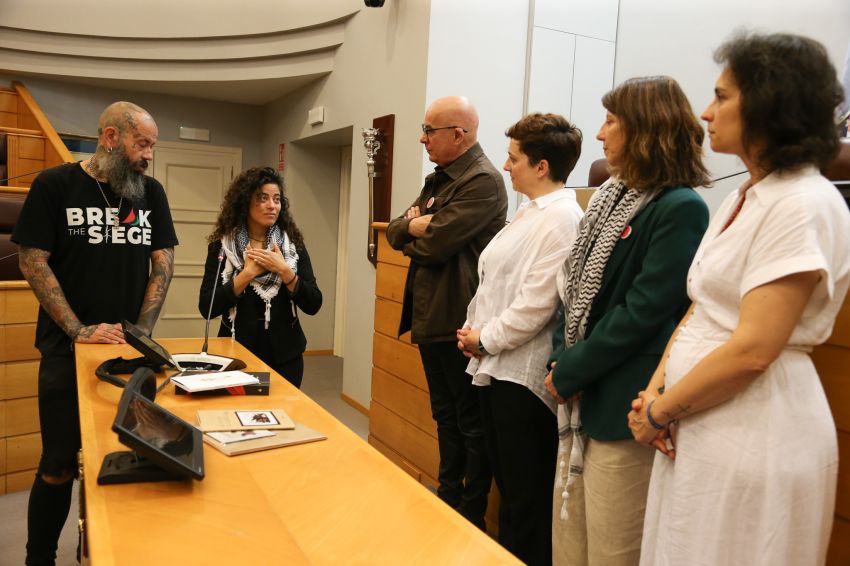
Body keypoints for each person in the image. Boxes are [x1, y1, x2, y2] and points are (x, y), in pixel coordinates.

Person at [629, 32, 850, 566]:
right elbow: (702, 308)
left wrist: (660, 410)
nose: (706, 112)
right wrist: (656, 390)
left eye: (723, 97)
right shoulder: (744, 195)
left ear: (772, 104)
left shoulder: (802, 202)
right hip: (701, 420)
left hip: (756, 431)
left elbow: (754, 349)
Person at [542, 76, 710, 566]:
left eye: (611, 121)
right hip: (580, 395)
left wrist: (570, 370)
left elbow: (643, 311)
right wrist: (560, 360)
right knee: (570, 544)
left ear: (645, 128)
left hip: (622, 401)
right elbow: (570, 291)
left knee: (613, 549)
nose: (599, 134)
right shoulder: (609, 198)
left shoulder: (680, 206)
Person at [12, 101, 177, 565]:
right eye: (142, 143)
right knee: (59, 466)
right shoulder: (54, 185)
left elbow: (163, 261)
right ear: (110, 138)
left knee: (123, 461)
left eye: (152, 146)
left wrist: (142, 333)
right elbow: (32, 260)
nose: (149, 155)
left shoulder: (151, 192)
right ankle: (38, 557)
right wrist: (78, 329)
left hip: (129, 358)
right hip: (66, 351)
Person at [456, 113, 583, 565]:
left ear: (542, 166)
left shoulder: (563, 219)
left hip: (523, 375)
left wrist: (484, 338)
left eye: (513, 159)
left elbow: (536, 305)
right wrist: (474, 331)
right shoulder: (530, 213)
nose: (506, 167)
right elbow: (494, 284)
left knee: (526, 499)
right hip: (497, 364)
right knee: (510, 493)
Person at [386, 95, 507, 528]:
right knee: (445, 416)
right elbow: (395, 231)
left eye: (429, 131)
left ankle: (469, 514)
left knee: (468, 422)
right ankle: (448, 497)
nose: (422, 138)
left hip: (459, 319)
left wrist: (418, 227)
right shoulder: (440, 179)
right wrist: (412, 225)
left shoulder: (483, 181)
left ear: (459, 134)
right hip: (430, 316)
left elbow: (434, 244)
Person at [199, 166, 321, 388]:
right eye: (262, 198)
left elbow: (314, 303)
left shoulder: (292, 246)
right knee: (239, 417)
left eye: (276, 199)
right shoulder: (222, 247)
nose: (272, 205)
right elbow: (207, 306)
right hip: (236, 353)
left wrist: (285, 271)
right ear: (245, 202)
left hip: (286, 355)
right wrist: (246, 275)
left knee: (283, 417)